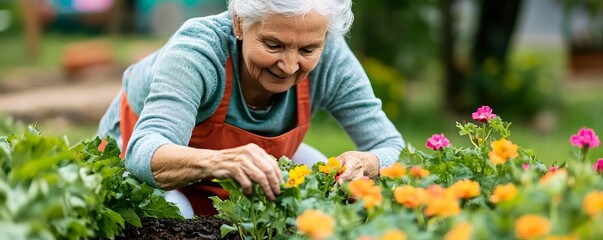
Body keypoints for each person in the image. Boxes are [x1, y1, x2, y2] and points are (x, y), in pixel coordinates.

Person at [97, 0, 405, 216]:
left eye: (308, 49)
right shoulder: (198, 52)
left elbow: (389, 144)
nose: (288, 66)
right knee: (176, 212)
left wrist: (370, 161)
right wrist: (220, 162)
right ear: (240, 23)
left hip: (239, 158)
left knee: (320, 193)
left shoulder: (332, 57)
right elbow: (144, 152)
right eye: (273, 45)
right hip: (141, 149)